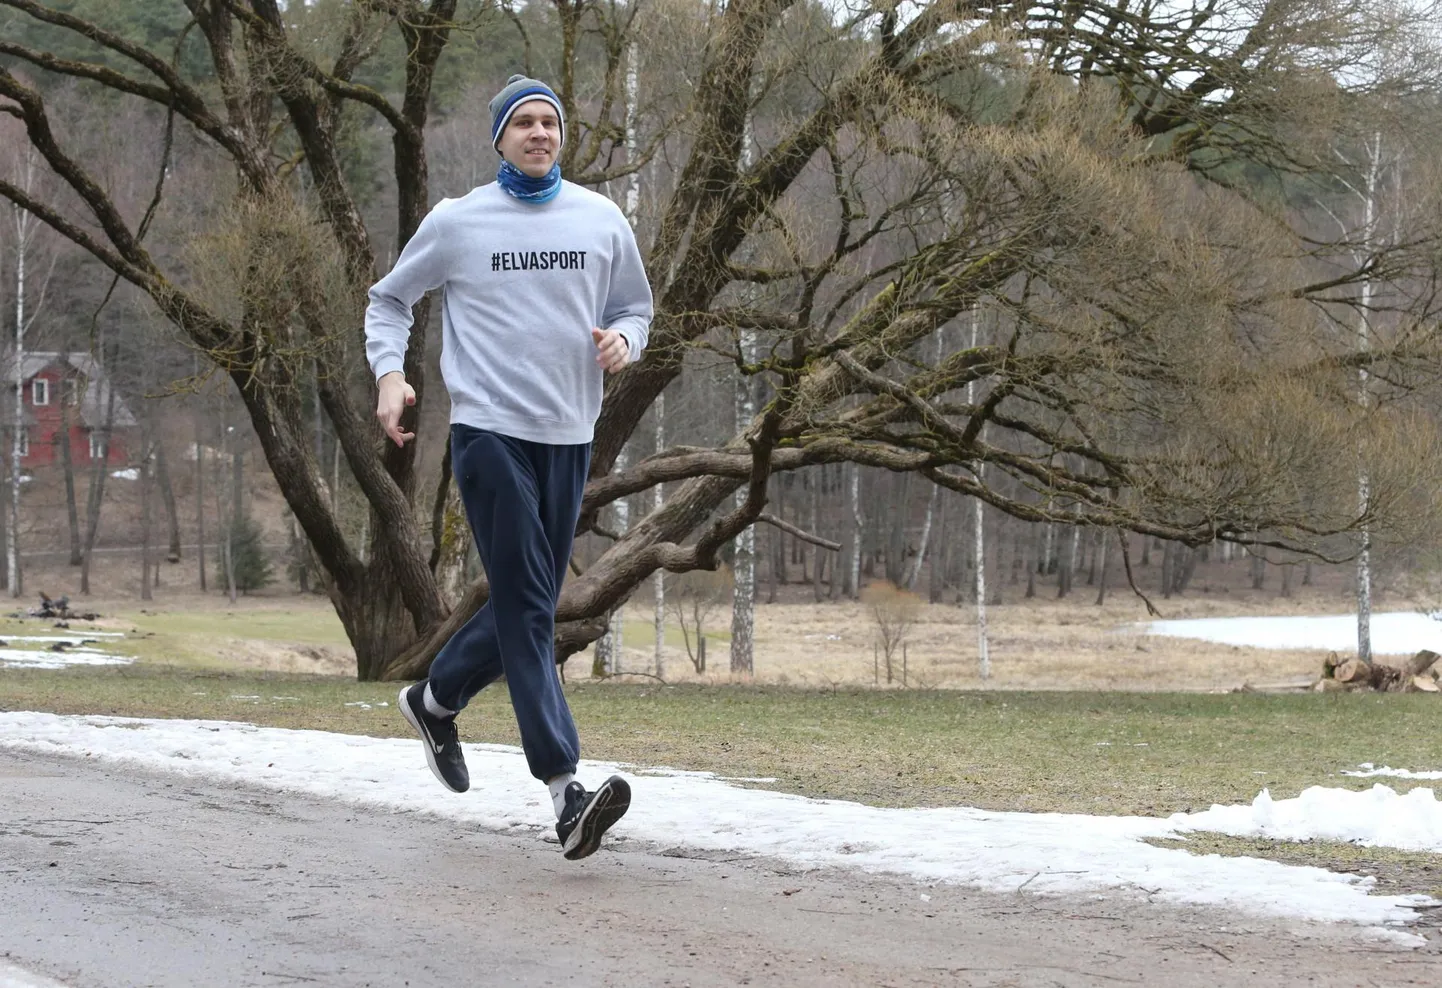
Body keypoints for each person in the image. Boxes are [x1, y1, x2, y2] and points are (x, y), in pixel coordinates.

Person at [364, 74, 652, 860]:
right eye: (522, 122)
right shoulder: (459, 222)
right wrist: (391, 373)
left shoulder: (600, 218)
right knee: (530, 606)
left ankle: (436, 698)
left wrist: (626, 342)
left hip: (569, 435)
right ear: (499, 138)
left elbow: (637, 307)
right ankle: (566, 792)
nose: (538, 133)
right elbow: (388, 301)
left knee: (527, 602)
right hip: (488, 433)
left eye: (549, 122)